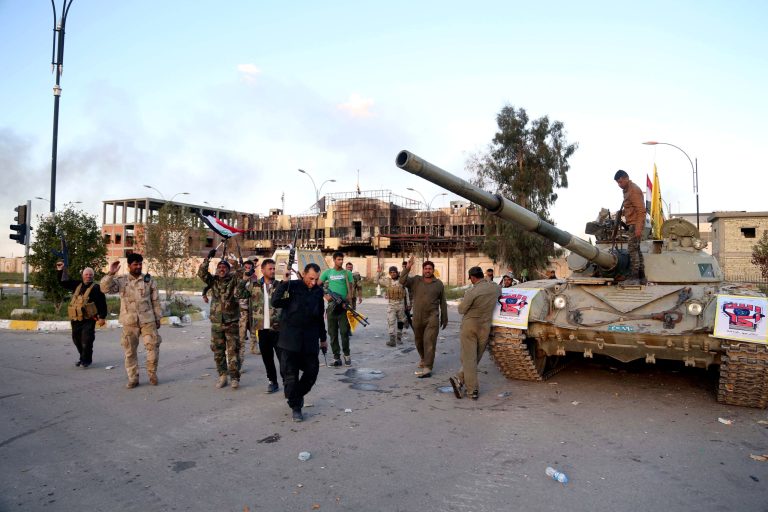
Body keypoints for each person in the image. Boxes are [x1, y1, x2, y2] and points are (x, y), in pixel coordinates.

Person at [271, 262, 328, 422]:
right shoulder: (292, 286)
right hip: (290, 340)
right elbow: (275, 302)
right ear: (303, 274)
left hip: (309, 340)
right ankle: (296, 407)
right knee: (290, 377)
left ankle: (295, 396)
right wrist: (283, 283)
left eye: (316, 279)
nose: (313, 282)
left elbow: (319, 318)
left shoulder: (317, 292)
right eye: (311, 278)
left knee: (312, 372)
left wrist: (323, 339)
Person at [100, 253, 162, 388]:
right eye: (135, 264)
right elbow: (104, 289)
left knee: (152, 347)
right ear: (129, 266)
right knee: (130, 351)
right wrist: (111, 273)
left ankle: (152, 374)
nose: (138, 266)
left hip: (148, 320)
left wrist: (158, 318)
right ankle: (133, 378)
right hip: (129, 321)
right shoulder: (121, 280)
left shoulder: (148, 280)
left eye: (140, 264)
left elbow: (155, 300)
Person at [450, 267, 501, 400]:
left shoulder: (472, 291)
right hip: (485, 327)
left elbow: (461, 310)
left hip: (470, 327)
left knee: (469, 359)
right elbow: (499, 290)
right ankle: (459, 378)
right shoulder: (494, 288)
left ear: (472, 278)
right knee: (475, 357)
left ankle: (472, 390)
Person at [198, 249, 246, 390]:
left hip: (231, 322)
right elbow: (201, 273)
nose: (222, 269)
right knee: (218, 351)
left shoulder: (234, 280)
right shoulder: (213, 281)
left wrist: (236, 262)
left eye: (224, 267)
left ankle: (235, 378)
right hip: (217, 322)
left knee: (233, 351)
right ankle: (222, 375)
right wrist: (208, 258)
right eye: (220, 267)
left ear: (228, 270)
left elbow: (242, 273)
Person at [400, 255, 448, 378]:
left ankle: (428, 367)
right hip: (418, 317)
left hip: (432, 317)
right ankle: (423, 358)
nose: (428, 270)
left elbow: (443, 302)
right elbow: (402, 281)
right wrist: (408, 268)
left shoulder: (439, 284)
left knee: (430, 342)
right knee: (418, 341)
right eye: (426, 268)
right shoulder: (416, 280)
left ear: (433, 270)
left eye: (430, 269)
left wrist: (444, 317)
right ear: (422, 270)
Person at [56, 261, 108, 368]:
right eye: (86, 274)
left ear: (93, 276)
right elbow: (63, 283)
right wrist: (61, 270)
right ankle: (82, 357)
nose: (88, 276)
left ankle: (86, 360)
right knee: (76, 340)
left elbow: (102, 303)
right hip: (76, 319)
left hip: (89, 319)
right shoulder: (77, 285)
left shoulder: (96, 288)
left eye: (90, 275)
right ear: (83, 276)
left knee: (87, 340)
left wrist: (102, 317)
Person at [246, 258, 282, 394]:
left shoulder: (280, 285)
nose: (273, 271)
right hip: (262, 329)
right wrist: (245, 278)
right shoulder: (254, 286)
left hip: (278, 329)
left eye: (274, 269)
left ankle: (287, 381)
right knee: (267, 358)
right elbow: (238, 294)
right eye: (270, 269)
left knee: (282, 358)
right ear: (263, 270)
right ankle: (272, 382)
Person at [320, 251, 354, 367]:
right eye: (338, 259)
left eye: (342, 259)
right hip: (331, 307)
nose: (341, 261)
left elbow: (350, 288)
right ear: (334, 260)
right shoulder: (328, 272)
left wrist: (348, 301)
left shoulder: (347, 273)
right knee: (332, 333)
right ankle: (336, 357)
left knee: (344, 332)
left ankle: (347, 355)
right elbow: (318, 284)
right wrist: (325, 296)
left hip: (343, 307)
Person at [614, 169, 646, 284]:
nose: (619, 185)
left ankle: (634, 277)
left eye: (620, 182)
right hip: (632, 223)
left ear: (626, 178)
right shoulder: (627, 190)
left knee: (632, 250)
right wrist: (623, 213)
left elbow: (641, 211)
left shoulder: (633, 190)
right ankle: (641, 276)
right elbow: (631, 208)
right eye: (618, 182)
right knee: (636, 249)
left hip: (634, 224)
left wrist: (638, 228)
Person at [374, 265, 407, 347]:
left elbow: (406, 294)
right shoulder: (387, 281)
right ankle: (392, 340)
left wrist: (408, 304)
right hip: (391, 305)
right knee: (391, 321)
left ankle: (399, 337)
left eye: (394, 272)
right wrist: (378, 272)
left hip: (401, 304)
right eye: (391, 272)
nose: (393, 274)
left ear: (397, 272)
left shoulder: (402, 281)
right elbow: (376, 281)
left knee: (400, 321)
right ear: (389, 273)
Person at [238, 259, 258, 368]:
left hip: (251, 309)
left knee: (254, 330)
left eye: (250, 267)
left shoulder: (254, 279)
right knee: (241, 336)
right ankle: (239, 361)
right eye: (246, 267)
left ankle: (253, 347)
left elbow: (255, 292)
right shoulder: (239, 278)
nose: (248, 269)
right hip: (241, 310)